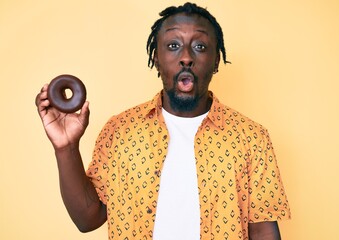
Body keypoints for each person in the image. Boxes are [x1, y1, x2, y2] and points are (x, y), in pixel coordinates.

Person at [36, 2, 290, 240]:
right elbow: (87, 219)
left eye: (200, 46)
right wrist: (66, 148)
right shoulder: (120, 131)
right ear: (156, 58)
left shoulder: (251, 137)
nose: (186, 57)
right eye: (173, 46)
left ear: (216, 61)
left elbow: (264, 233)